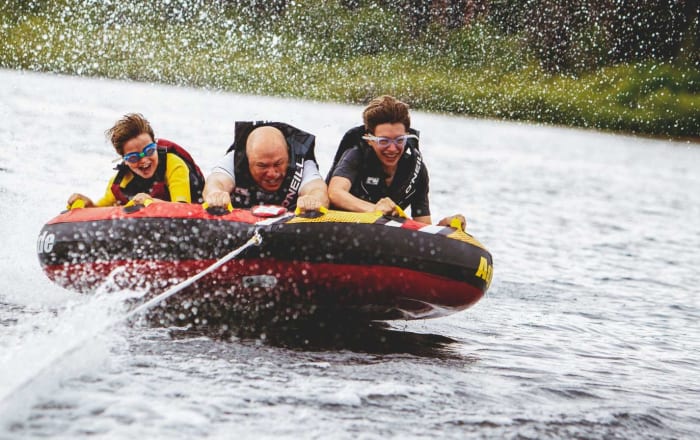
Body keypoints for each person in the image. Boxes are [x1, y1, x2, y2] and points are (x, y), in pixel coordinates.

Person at [327, 95, 466, 229]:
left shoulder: (416, 169)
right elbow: (335, 193)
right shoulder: (356, 154)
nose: (392, 149)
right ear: (370, 139)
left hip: (382, 237)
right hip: (341, 227)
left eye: (400, 140)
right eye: (383, 141)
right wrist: (374, 209)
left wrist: (443, 227)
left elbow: (423, 226)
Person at [67, 113, 204, 207]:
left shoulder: (174, 165)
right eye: (133, 157)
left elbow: (181, 208)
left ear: (155, 145)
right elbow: (102, 212)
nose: (144, 160)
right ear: (124, 160)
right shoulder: (121, 182)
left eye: (149, 150)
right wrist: (88, 204)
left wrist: (151, 202)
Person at [203, 121, 328, 212]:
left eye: (278, 164)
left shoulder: (302, 161)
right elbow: (216, 181)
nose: (272, 173)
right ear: (249, 159)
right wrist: (216, 194)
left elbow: (317, 188)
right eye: (262, 166)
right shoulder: (235, 158)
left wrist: (313, 199)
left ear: (288, 156)